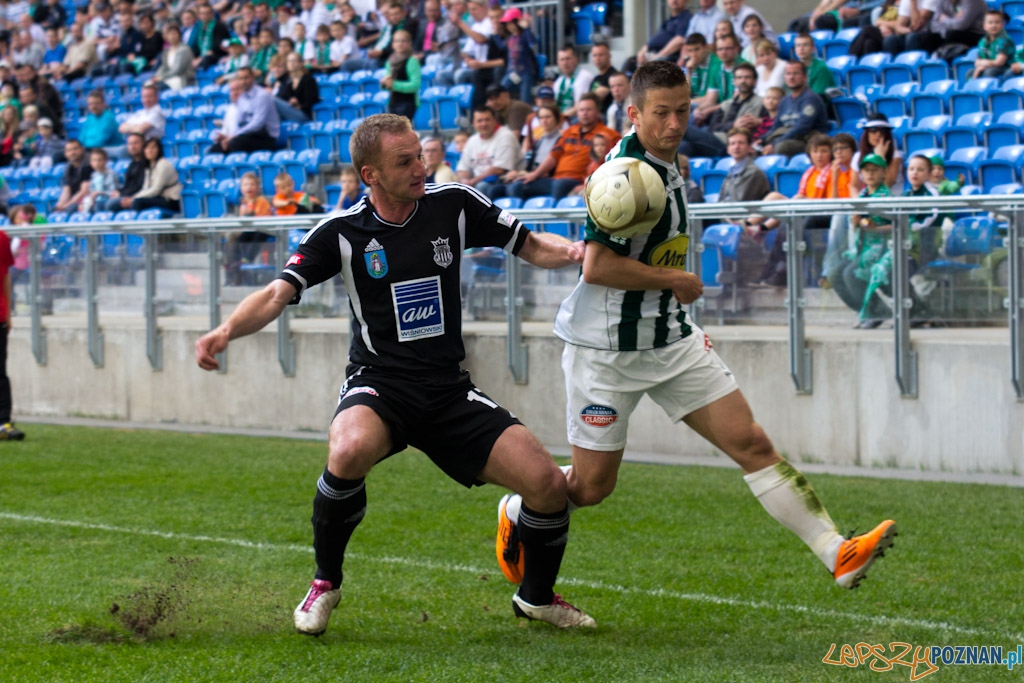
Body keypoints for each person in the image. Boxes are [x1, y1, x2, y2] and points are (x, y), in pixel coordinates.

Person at [495, 60, 898, 598]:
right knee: (590, 488)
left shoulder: (668, 155)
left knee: (750, 442)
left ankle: (837, 552)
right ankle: (519, 508)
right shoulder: (624, 176)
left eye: (683, 110)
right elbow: (596, 267)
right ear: (634, 113)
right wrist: (675, 279)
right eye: (661, 113)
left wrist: (672, 292)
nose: (675, 123)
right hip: (606, 350)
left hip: (672, 338)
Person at [194, 113, 596, 635]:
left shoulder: (455, 204)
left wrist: (571, 252)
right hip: (379, 384)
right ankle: (325, 583)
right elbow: (277, 293)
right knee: (347, 450)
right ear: (370, 175)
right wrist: (225, 331)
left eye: (420, 155)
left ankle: (536, 598)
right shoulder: (341, 233)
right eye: (403, 161)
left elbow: (526, 243)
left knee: (546, 486)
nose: (419, 168)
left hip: (449, 390)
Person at [508, 92, 620, 202]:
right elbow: (553, 156)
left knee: (559, 185)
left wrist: (587, 183)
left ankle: (555, 221)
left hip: (578, 180)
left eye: (589, 110)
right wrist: (534, 174)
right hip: (555, 180)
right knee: (517, 187)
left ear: (597, 111)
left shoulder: (609, 135)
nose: (584, 113)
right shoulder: (569, 131)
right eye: (581, 110)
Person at [830, 153, 893, 328]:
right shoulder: (862, 196)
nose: (870, 174)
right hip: (862, 248)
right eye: (866, 170)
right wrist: (856, 223)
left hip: (883, 249)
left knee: (852, 272)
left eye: (875, 170)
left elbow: (896, 225)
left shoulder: (886, 197)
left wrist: (872, 226)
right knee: (835, 274)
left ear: (884, 173)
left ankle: (875, 311)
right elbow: (862, 226)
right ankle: (867, 311)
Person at [681, 61, 764, 158]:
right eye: (739, 78)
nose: (743, 81)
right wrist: (733, 125)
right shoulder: (727, 103)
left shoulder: (760, 102)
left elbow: (745, 128)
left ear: (755, 81)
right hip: (712, 139)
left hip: (729, 144)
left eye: (747, 77)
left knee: (681, 128)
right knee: (684, 146)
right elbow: (713, 126)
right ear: (734, 81)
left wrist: (729, 126)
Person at [759, 61, 828, 158]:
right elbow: (776, 127)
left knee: (781, 147)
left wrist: (774, 144)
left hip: (808, 141)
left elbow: (801, 128)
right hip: (787, 137)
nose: (791, 77)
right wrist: (761, 139)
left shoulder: (810, 99)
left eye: (796, 73)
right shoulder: (784, 101)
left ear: (804, 77)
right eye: (788, 73)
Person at [456, 105, 521, 199]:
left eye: (487, 120)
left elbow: (499, 169)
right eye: (479, 121)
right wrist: (464, 180)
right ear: (473, 123)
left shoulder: (505, 136)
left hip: (503, 181)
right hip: (478, 183)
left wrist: (473, 181)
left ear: (494, 120)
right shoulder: (472, 140)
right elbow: (463, 169)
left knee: (481, 187)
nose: (484, 124)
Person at [212, 67, 280, 153]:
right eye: (241, 78)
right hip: (248, 135)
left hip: (266, 136)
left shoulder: (262, 95)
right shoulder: (242, 98)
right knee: (216, 148)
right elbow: (239, 122)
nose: (243, 81)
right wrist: (230, 137)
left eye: (246, 78)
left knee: (235, 144)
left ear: (253, 78)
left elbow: (257, 123)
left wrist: (234, 136)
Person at [0, 222, 23, 440]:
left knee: (0, 373)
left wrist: (8, 312)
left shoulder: (1, 238)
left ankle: (3, 423)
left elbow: (5, 274)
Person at [497, 7, 538, 103]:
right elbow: (502, 46)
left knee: (525, 100)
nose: (510, 26)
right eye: (507, 24)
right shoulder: (510, 37)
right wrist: (495, 34)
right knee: (500, 92)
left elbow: (532, 43)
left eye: (512, 23)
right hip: (511, 72)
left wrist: (527, 28)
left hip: (525, 73)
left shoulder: (524, 35)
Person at [131, 137, 182, 214]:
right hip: (159, 197)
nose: (150, 151)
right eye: (147, 148)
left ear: (159, 149)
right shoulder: (148, 166)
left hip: (171, 200)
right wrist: (134, 196)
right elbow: (146, 187)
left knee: (138, 202)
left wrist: (135, 197)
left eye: (153, 147)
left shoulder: (163, 165)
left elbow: (156, 190)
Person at [636, 0, 692, 65]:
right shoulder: (669, 20)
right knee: (630, 62)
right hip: (652, 55)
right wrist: (642, 51)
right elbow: (655, 39)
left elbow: (679, 40)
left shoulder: (686, 18)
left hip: (666, 59)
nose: (674, 0)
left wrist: (658, 56)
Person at [382, 28, 419, 122]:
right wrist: (384, 83)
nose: (400, 44)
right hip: (393, 102)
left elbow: (415, 85)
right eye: (397, 41)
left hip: (407, 102)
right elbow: (388, 81)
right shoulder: (390, 61)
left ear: (409, 43)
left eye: (403, 41)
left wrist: (394, 85)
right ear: (393, 44)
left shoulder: (412, 61)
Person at [103, 132, 146, 212]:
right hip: (126, 195)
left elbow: (139, 187)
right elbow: (128, 186)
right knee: (100, 204)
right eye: (130, 144)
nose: (132, 147)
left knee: (110, 204)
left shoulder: (146, 164)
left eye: (136, 143)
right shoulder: (132, 164)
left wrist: (121, 194)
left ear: (143, 144)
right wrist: (118, 192)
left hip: (137, 197)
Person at [276, 51, 320, 122]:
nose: (291, 63)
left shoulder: (308, 80)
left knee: (271, 99)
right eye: (289, 61)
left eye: (294, 61)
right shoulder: (286, 80)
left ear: (301, 63)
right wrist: (290, 101)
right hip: (288, 111)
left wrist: (299, 104)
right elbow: (281, 97)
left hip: (303, 114)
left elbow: (311, 101)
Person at [552, 45, 594, 120]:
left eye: (568, 59)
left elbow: (580, 107)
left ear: (576, 60)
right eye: (562, 60)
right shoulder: (558, 82)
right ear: (558, 62)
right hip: (562, 120)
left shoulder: (584, 77)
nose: (565, 63)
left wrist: (560, 119)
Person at [151, 23, 196, 90]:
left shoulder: (184, 49)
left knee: (160, 87)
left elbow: (178, 70)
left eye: (174, 34)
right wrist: (156, 76)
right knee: (150, 85)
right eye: (170, 34)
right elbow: (164, 66)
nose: (172, 36)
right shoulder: (166, 51)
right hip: (169, 77)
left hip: (181, 78)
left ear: (179, 35)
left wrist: (162, 77)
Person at [973, 10, 1014, 80]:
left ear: (1002, 24)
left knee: (989, 72)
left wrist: (984, 64)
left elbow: (999, 62)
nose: (994, 25)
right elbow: (977, 61)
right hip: (989, 66)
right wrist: (980, 67)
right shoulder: (982, 41)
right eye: (990, 23)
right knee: (970, 73)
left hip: (1005, 68)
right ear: (984, 26)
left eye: (997, 22)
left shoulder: (1005, 41)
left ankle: (991, 90)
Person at [792, 32, 836, 97]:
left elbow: (816, 97)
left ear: (813, 48)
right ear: (795, 50)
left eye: (805, 45)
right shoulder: (794, 68)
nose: (801, 48)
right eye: (798, 45)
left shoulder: (821, 68)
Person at [54, 139, 92, 213]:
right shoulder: (68, 167)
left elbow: (84, 191)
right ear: (65, 153)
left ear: (82, 149)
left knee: (70, 209)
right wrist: (60, 205)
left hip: (87, 198)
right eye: (69, 150)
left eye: (75, 149)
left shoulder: (88, 165)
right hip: (74, 199)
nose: (72, 152)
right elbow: (67, 189)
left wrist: (67, 205)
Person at [81, 147, 119, 212]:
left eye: (100, 160)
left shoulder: (110, 174)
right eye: (94, 160)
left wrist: (99, 193)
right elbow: (91, 191)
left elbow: (113, 192)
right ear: (90, 162)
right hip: (95, 201)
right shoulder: (93, 175)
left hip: (106, 200)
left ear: (105, 160)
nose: (97, 163)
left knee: (97, 206)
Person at [605, 72, 632, 138]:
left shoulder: (637, 104)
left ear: (629, 86)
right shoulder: (611, 109)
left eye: (620, 85)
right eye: (612, 86)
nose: (616, 90)